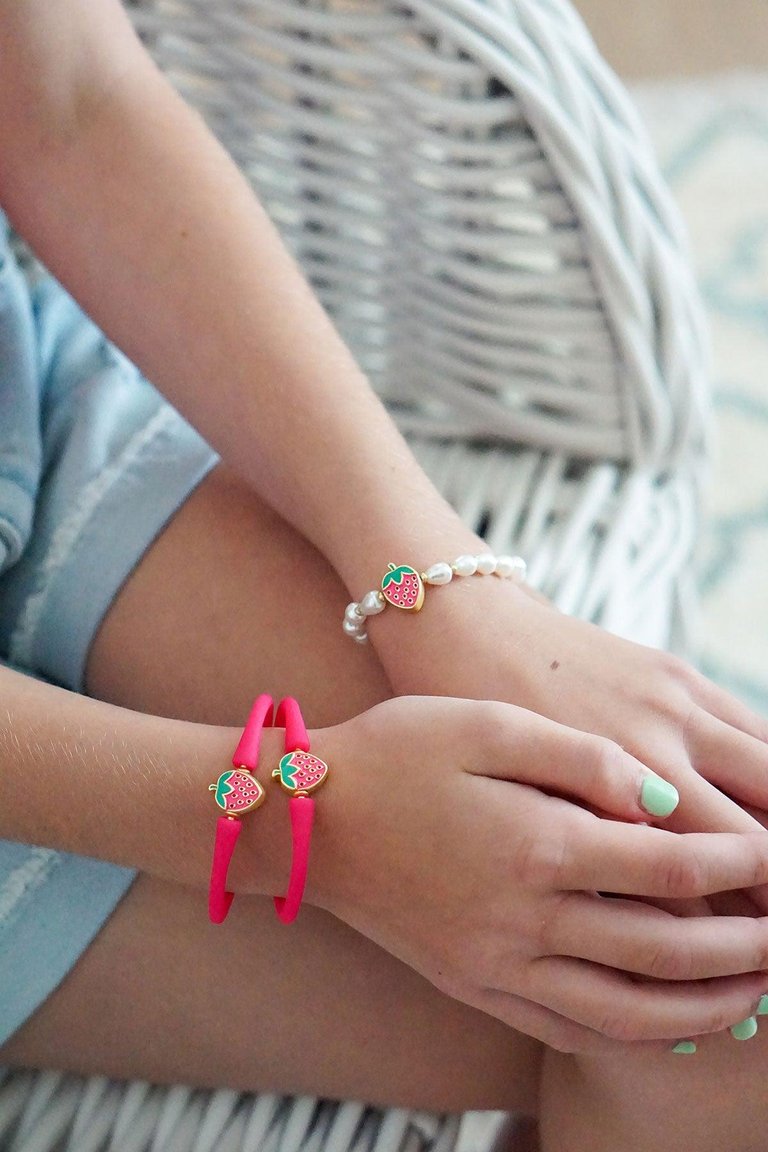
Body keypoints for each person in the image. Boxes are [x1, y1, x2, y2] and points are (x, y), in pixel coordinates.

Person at [1, 2, 767, 1149]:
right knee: (670, 1000)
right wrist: (314, 817)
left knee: (713, 942)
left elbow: (63, 95)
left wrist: (445, 591)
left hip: (31, 432)